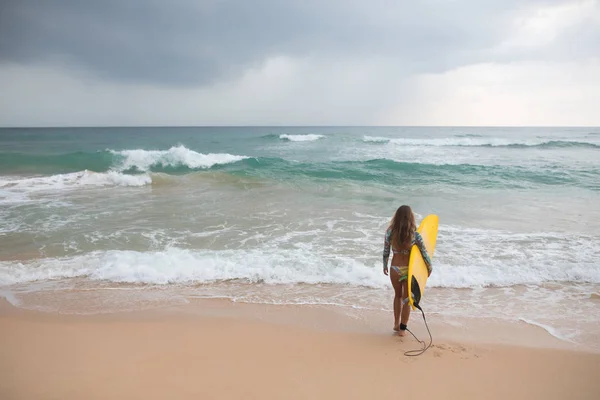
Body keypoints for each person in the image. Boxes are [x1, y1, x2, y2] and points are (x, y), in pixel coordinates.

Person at [382, 205, 432, 336]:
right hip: (408, 270)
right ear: (411, 217)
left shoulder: (390, 232)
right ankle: (403, 329)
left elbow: (386, 251)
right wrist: (429, 267)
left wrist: (385, 265)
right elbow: (424, 253)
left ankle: (396, 323)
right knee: (407, 299)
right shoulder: (414, 235)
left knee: (397, 296)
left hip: (394, 268)